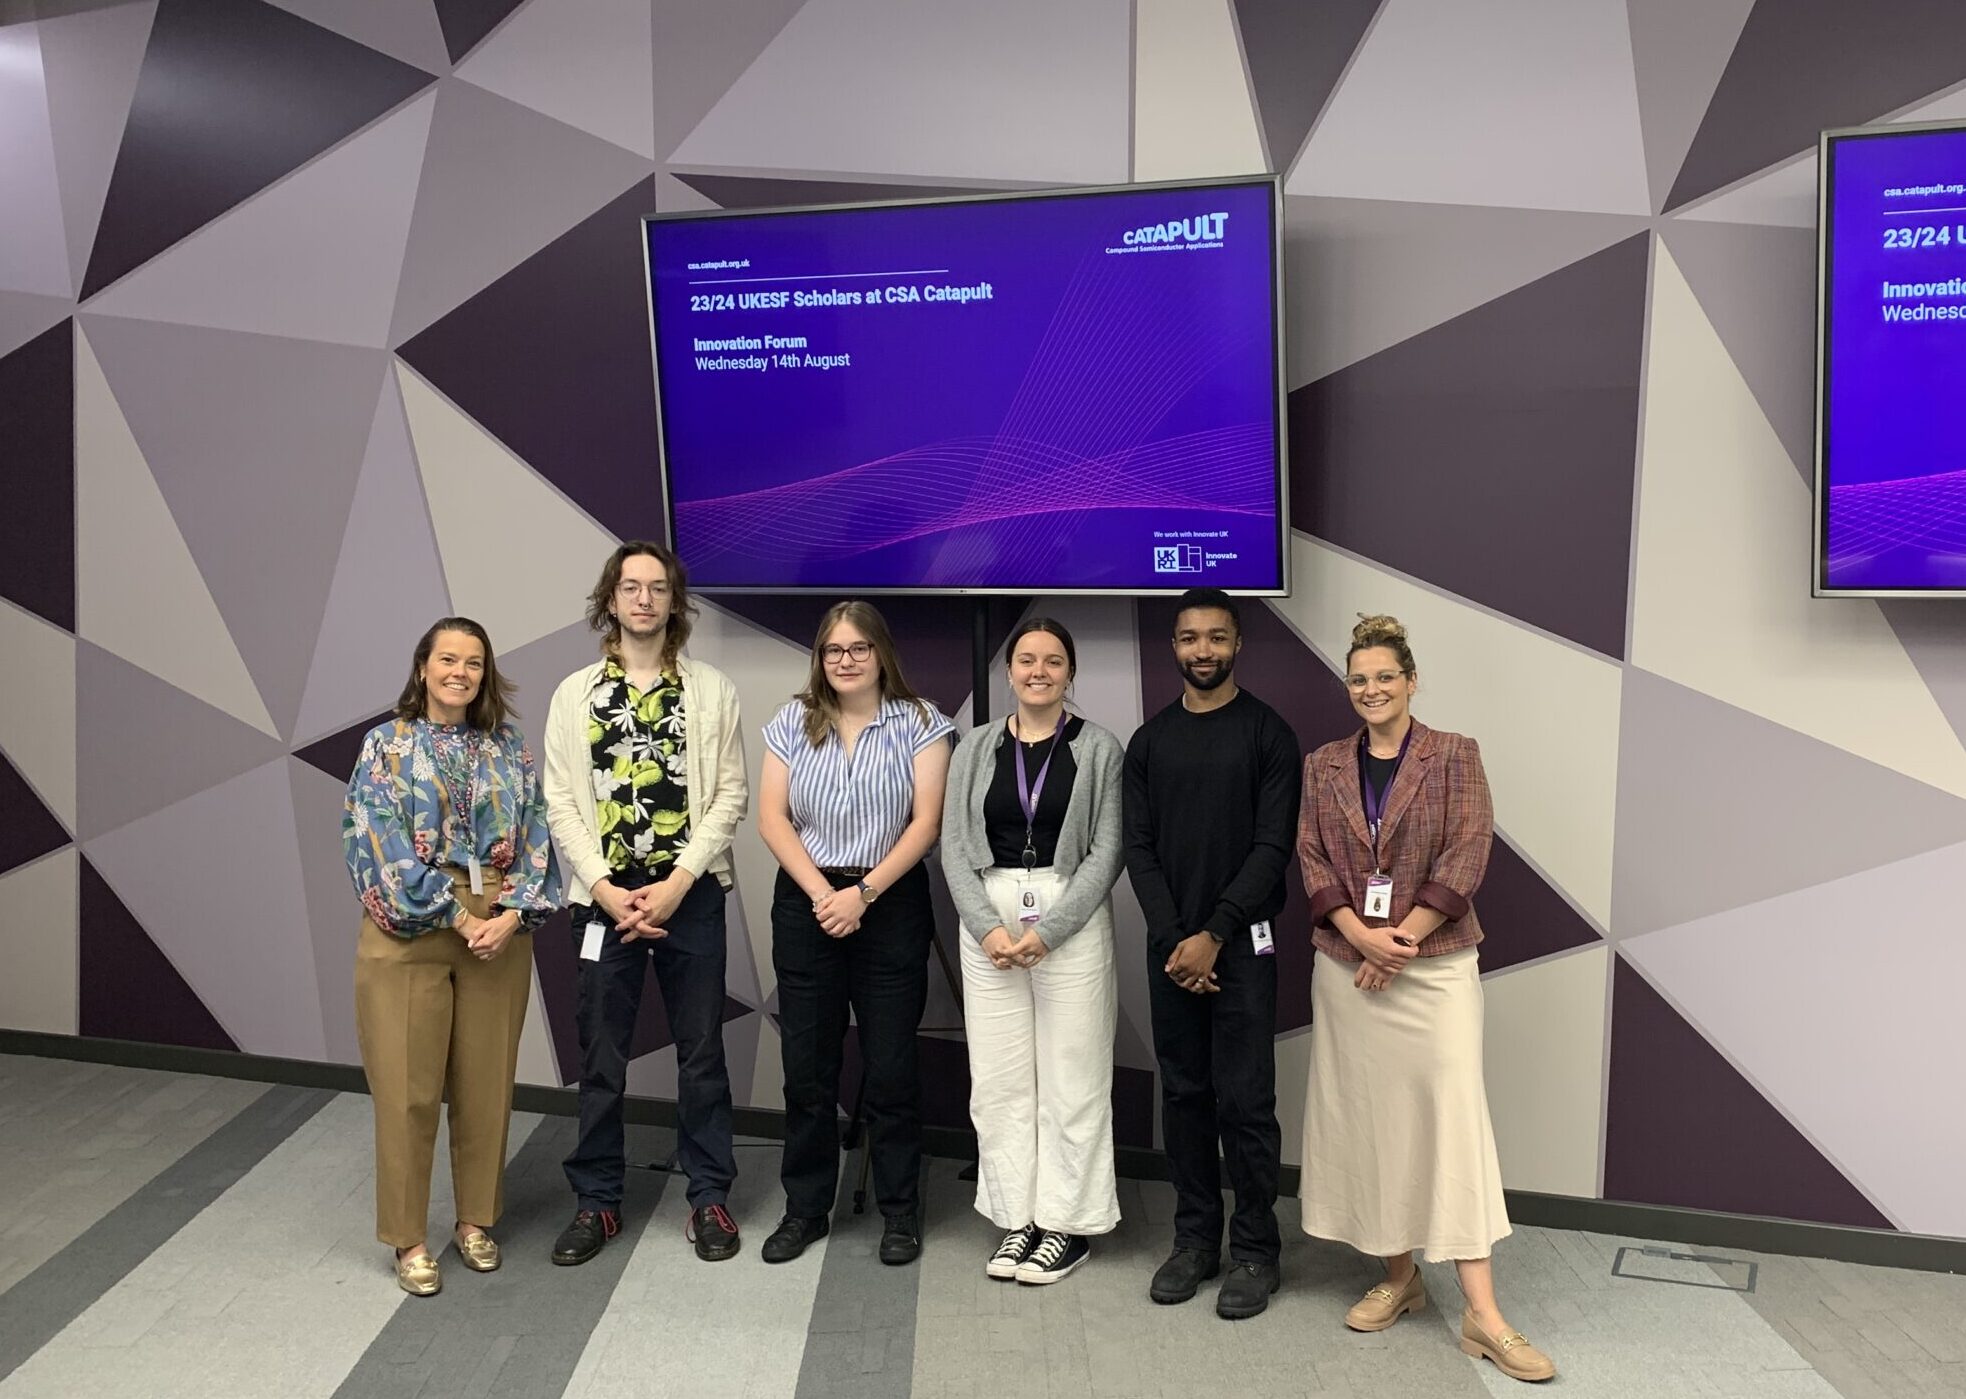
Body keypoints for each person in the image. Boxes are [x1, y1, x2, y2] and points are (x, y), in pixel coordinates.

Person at [1295, 614, 1556, 1383]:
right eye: (1358, 679)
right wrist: (1358, 935)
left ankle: (1485, 1314)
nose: (1370, 690)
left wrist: (1398, 939)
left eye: (1384, 676)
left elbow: (1470, 846)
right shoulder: (1324, 765)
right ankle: (1400, 1275)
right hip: (1347, 968)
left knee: (1450, 1123)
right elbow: (1311, 855)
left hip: (1433, 964)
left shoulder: (1454, 755)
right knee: (1370, 1122)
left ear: (1411, 680)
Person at [543, 541, 749, 1265]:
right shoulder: (573, 696)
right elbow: (561, 800)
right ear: (611, 599)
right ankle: (597, 1202)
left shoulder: (711, 690)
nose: (643, 599)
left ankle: (709, 1197)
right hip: (604, 903)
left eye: (656, 587)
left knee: (701, 1054)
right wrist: (603, 887)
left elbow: (730, 794)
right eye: (630, 586)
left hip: (687, 897)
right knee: (602, 1058)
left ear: (673, 601)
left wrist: (678, 880)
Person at [344, 618, 561, 1296]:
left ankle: (474, 1222)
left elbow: (537, 836)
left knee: (486, 1086)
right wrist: (454, 913)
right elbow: (373, 843)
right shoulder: (384, 745)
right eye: (447, 658)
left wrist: (514, 912)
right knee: (407, 1091)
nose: (459, 671)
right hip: (410, 926)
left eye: (473, 661)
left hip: (498, 927)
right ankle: (409, 1237)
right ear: (423, 667)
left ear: (484, 672)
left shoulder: (508, 746)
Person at [754, 601, 954, 1266]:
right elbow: (772, 819)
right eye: (834, 649)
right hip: (809, 902)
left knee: (892, 1067)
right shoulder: (791, 720)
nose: (845, 659)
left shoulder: (921, 722)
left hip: (888, 902)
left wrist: (862, 894)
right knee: (807, 1069)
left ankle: (901, 1212)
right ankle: (805, 1208)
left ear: (880, 653)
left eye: (858, 648)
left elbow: (925, 824)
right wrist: (825, 895)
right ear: (821, 657)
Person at [1123, 588, 1300, 1320]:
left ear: (1237, 645)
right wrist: (1175, 939)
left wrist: (1214, 932)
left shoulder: (1268, 734)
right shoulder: (1150, 741)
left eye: (1217, 637)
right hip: (1173, 956)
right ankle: (1196, 1240)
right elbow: (1138, 848)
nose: (1204, 650)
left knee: (1247, 1104)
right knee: (1186, 1097)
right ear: (1174, 645)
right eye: (1191, 638)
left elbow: (1271, 848)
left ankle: (1257, 1249)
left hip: (1242, 949)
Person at [940, 617, 1125, 1285]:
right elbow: (954, 846)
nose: (1038, 670)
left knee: (1072, 1079)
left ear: (1069, 672)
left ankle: (1065, 1224)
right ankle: (1017, 1214)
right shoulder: (976, 746)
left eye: (1052, 660)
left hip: (1068, 916)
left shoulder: (1100, 747)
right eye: (1025, 659)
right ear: (1009, 670)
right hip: (989, 919)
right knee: (999, 1082)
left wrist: (1050, 930)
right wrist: (986, 926)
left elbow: (1108, 850)